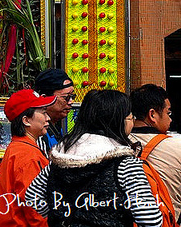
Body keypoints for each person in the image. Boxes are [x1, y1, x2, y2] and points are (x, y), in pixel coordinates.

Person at [26, 89, 163, 227]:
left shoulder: (59, 159)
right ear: (118, 121)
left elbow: (32, 197)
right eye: (130, 117)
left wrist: (58, 213)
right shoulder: (125, 165)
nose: (132, 121)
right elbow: (151, 220)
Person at [0, 89, 55, 227]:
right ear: (26, 120)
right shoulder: (28, 155)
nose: (48, 118)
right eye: (43, 113)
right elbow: (34, 206)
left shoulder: (18, 148)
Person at [130, 84, 181, 222]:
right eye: (168, 113)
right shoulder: (177, 147)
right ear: (152, 115)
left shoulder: (118, 144)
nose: (170, 119)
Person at [33, 69, 75, 156]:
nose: (71, 102)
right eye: (66, 97)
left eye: (72, 96)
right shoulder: (37, 132)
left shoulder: (56, 125)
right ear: (44, 98)